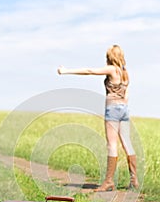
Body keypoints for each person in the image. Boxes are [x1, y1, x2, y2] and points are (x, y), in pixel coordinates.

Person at [57, 44, 138, 191]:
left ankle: (108, 182)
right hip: (124, 110)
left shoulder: (112, 69)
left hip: (112, 109)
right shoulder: (125, 73)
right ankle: (134, 180)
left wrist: (66, 71)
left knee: (112, 145)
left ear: (110, 57)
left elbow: (90, 71)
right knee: (127, 143)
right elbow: (126, 96)